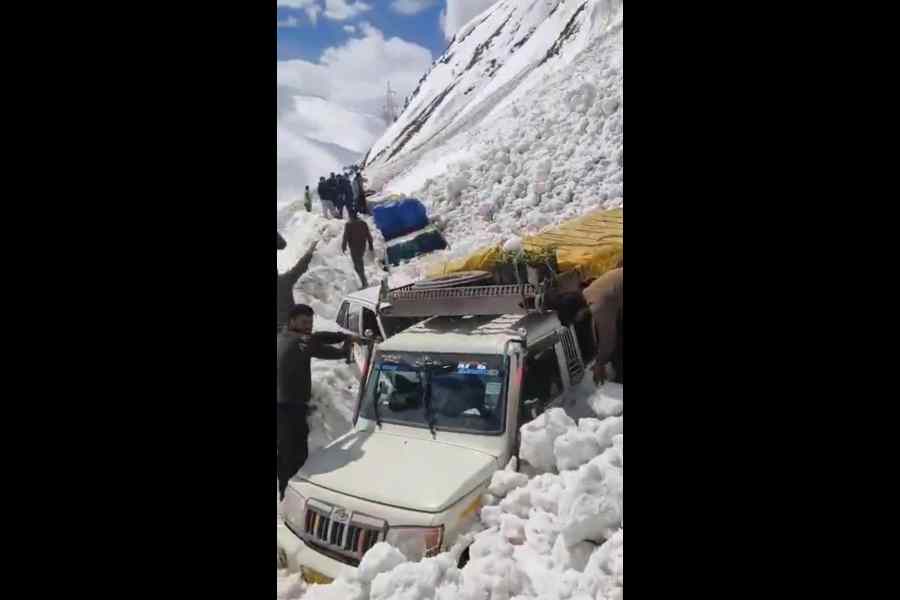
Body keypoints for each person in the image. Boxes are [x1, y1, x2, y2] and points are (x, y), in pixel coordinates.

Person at [277, 304, 358, 499]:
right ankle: (287, 493)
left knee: (284, 447)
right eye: (304, 322)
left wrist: (341, 335)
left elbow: (317, 336)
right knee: (295, 453)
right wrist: (348, 346)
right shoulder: (302, 342)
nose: (308, 327)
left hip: (282, 403)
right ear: (293, 321)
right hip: (289, 407)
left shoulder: (283, 335)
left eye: (310, 323)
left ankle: (283, 482)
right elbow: (333, 353)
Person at [582, 266, 623, 384]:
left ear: (579, 313)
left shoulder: (598, 305)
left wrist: (599, 363)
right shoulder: (588, 291)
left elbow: (608, 341)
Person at [277, 241, 318, 332]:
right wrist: (310, 252)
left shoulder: (284, 280)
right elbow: (299, 268)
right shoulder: (284, 280)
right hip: (291, 326)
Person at [341, 209, 374, 288]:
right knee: (359, 264)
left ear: (350, 216)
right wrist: (370, 245)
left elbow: (346, 236)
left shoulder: (348, 225)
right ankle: (364, 281)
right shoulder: (363, 223)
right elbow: (368, 235)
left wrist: (343, 246)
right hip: (362, 246)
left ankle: (364, 282)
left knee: (357, 265)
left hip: (354, 247)